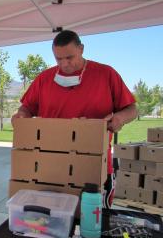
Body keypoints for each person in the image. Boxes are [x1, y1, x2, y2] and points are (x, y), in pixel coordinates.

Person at [11, 30, 137, 207]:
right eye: (58, 59)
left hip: (94, 164)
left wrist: (119, 118)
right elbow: (27, 107)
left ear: (82, 49)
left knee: (92, 222)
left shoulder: (106, 74)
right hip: (50, 167)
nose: (64, 64)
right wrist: (22, 116)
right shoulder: (44, 79)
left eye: (69, 57)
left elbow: (132, 109)